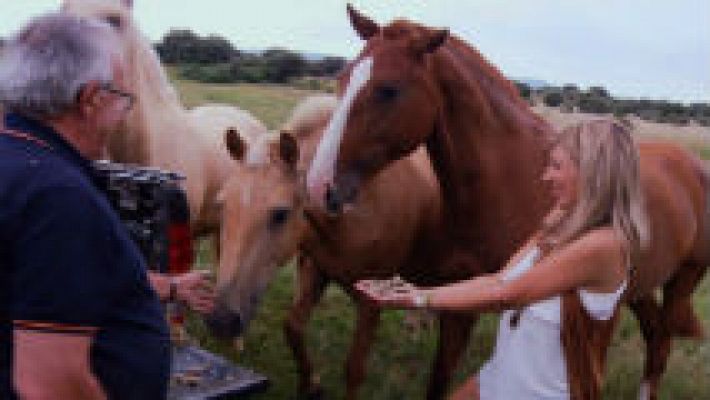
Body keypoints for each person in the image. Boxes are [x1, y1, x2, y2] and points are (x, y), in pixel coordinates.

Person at [356, 119, 649, 399]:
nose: (546, 176)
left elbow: (506, 295)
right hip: (499, 379)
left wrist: (418, 299)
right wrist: (417, 292)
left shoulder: (605, 245)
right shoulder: (562, 220)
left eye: (557, 166)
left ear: (591, 173)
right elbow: (498, 279)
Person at [0, 14, 210, 399]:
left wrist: (173, 287)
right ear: (91, 100)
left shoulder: (16, 158)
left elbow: (53, 279)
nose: (122, 115)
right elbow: (52, 387)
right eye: (121, 100)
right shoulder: (57, 198)